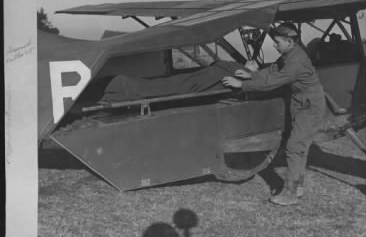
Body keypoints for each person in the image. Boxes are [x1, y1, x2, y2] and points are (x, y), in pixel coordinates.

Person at [222, 22, 326, 206]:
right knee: (298, 146)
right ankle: (297, 185)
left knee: (295, 146)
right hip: (301, 103)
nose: (274, 45)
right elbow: (273, 70)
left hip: (310, 107)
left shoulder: (296, 62)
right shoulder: (289, 54)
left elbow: (274, 81)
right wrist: (252, 75)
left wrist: (242, 85)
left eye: (277, 42)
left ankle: (290, 193)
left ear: (289, 41)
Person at [100, 60, 258, 102]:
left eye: (254, 64)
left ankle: (123, 84)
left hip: (200, 81)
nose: (252, 62)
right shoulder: (236, 67)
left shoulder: (241, 71)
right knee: (169, 83)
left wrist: (249, 71)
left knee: (169, 85)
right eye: (251, 62)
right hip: (201, 77)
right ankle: (123, 84)